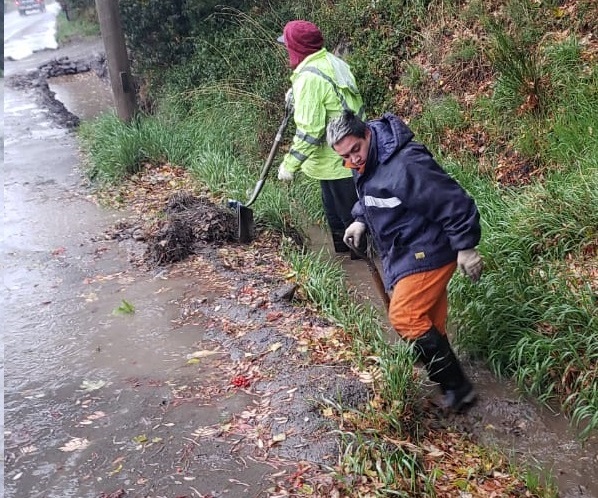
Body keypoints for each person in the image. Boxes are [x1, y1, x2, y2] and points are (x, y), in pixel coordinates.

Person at [326, 110, 483, 412]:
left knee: (405, 317)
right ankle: (450, 385)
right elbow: (372, 193)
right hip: (404, 246)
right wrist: (359, 219)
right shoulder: (366, 160)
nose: (353, 161)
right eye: (345, 157)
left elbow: (453, 200)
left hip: (430, 247)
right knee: (429, 323)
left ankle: (458, 390)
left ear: (366, 134)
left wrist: (466, 247)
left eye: (355, 150)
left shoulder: (405, 163)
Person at [276, 20, 366, 256]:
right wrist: (297, 95)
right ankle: (349, 267)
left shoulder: (309, 78)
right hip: (348, 154)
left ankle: (362, 273)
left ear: (297, 48)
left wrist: (289, 165)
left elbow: (310, 130)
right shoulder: (332, 63)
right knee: (338, 216)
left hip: (337, 160)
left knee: (350, 221)